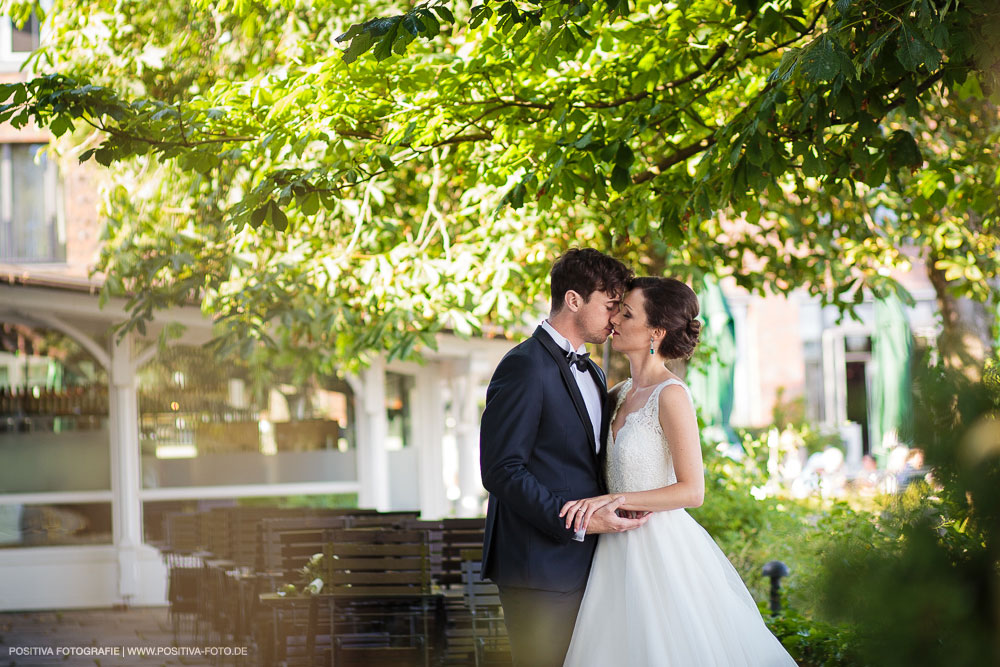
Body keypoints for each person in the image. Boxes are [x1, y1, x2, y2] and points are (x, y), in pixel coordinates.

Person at [560, 277, 796, 667]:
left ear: (655, 332)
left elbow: (692, 491)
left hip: (661, 548)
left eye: (627, 312)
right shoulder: (615, 393)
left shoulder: (671, 395)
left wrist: (613, 501)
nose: (615, 317)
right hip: (612, 548)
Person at [480, 248, 649, 667]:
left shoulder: (593, 372)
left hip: (591, 562)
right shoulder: (523, 366)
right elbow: (501, 469)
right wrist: (576, 520)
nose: (615, 318)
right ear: (574, 300)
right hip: (538, 567)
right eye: (610, 305)